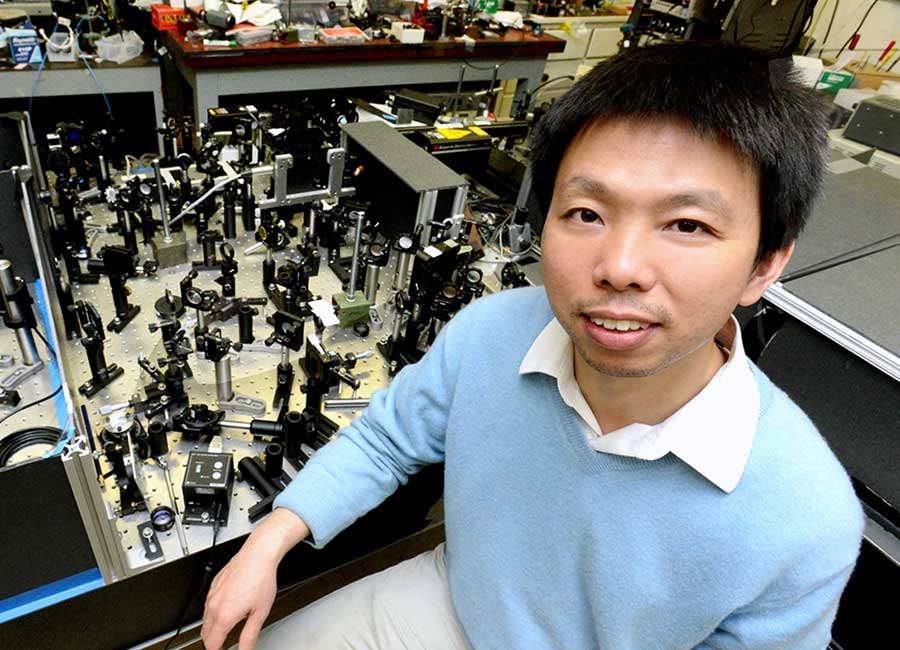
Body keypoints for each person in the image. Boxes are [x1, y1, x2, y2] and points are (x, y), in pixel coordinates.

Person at [201, 42, 864, 650]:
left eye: (686, 223)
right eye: (587, 213)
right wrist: (268, 543)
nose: (620, 265)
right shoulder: (492, 333)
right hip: (445, 599)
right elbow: (384, 438)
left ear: (764, 265)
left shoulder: (803, 521)